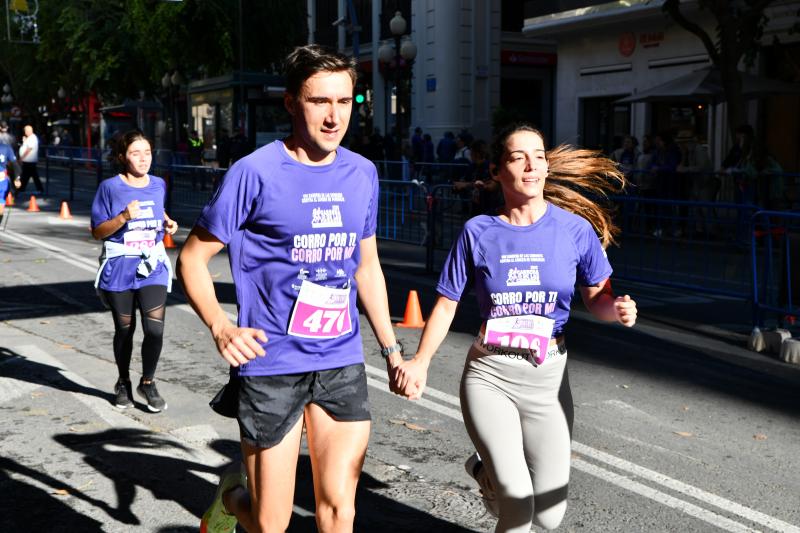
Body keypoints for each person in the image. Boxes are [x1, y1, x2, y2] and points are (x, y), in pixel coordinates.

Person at [177, 44, 403, 533]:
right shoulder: (254, 172)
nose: (333, 116)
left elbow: (367, 267)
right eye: (319, 101)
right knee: (270, 523)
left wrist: (391, 350)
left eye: (345, 102)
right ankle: (234, 500)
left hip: (339, 360)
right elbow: (192, 259)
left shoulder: (362, 174)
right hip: (272, 364)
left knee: (340, 510)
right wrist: (220, 326)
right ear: (291, 103)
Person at [393, 123, 638, 532]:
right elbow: (447, 303)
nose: (531, 164)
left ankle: (485, 473)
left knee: (549, 515)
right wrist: (420, 361)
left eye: (539, 155)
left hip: (548, 378)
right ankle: (501, 481)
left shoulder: (574, 230)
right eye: (518, 156)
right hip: (491, 376)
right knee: (519, 506)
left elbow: (598, 298)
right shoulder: (478, 233)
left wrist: (618, 309)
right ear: (496, 170)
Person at [90, 130, 178, 413]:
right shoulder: (110, 188)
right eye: (135, 153)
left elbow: (157, 211)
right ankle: (123, 382)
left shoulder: (158, 184)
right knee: (124, 330)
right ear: (122, 157)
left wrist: (167, 223)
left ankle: (148, 381)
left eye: (148, 152)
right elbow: (97, 231)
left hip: (152, 266)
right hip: (120, 268)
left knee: (154, 330)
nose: (143, 159)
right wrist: (123, 216)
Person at [17, 124, 43, 195]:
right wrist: (24, 141)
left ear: (28, 131)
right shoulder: (30, 138)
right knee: (31, 175)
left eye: (25, 131)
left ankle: (21, 189)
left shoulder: (32, 138)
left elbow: (29, 149)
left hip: (29, 160)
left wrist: (21, 158)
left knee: (25, 175)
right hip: (29, 160)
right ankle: (39, 189)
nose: (24, 132)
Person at [0, 136, 20, 220]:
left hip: (1, 180)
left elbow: (15, 165)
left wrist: (17, 178)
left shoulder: (6, 148)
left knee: (1, 203)